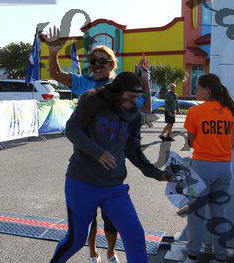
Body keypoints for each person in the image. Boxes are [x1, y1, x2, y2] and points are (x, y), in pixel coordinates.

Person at [42, 26, 152, 262]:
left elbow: (145, 107)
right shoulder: (84, 82)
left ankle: (111, 252)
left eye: (102, 61)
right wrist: (53, 53)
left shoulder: (123, 86)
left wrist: (145, 81)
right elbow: (56, 74)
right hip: (86, 166)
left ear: (112, 64)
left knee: (114, 222)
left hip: (113, 169)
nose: (97, 65)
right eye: (93, 61)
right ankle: (93, 252)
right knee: (85, 225)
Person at [49, 72, 171, 263]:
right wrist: (97, 152)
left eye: (138, 97)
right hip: (82, 183)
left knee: (135, 235)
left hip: (114, 188)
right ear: (117, 91)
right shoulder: (92, 102)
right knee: (76, 240)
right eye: (131, 97)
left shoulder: (134, 116)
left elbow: (133, 151)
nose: (135, 102)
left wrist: (158, 174)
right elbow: (72, 129)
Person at [181, 74, 234, 263]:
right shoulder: (232, 111)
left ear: (208, 90)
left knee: (196, 213)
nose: (195, 91)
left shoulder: (196, 111)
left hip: (202, 167)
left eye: (197, 87)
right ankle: (221, 257)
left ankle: (192, 256)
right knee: (219, 214)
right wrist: (226, 139)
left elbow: (190, 142)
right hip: (225, 168)